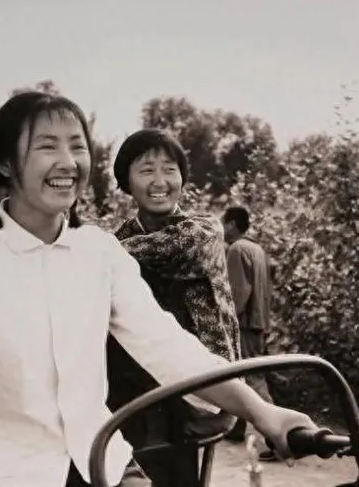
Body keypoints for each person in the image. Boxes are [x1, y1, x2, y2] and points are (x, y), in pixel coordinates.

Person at [0, 92, 317, 487]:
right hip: (6, 471)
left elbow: (168, 347)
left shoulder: (100, 252)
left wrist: (264, 413)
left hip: (100, 460)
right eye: (47, 146)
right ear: (5, 162)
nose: (68, 162)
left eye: (77, 146)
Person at [107, 129, 241, 486]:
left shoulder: (202, 231)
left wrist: (88, 251)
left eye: (169, 169)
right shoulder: (118, 238)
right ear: (126, 181)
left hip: (203, 385)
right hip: (139, 387)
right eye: (146, 170)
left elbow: (161, 249)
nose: (160, 181)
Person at [222, 205, 276, 458]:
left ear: (232, 224)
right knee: (240, 374)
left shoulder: (237, 249)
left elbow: (239, 291)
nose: (222, 228)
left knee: (252, 378)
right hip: (258, 322)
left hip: (244, 324)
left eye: (224, 223)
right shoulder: (257, 249)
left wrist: (226, 318)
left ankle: (281, 438)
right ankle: (237, 427)